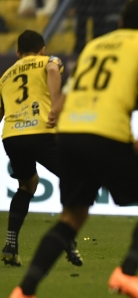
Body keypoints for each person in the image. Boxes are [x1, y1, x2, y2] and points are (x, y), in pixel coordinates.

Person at [9, 1, 138, 297]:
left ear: (121, 24)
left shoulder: (95, 45)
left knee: (71, 218)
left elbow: (72, 86)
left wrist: (55, 110)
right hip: (105, 131)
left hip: (69, 134)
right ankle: (127, 273)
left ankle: (24, 290)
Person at [0, 30, 82, 268]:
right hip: (41, 130)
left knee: (27, 185)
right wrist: (55, 104)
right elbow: (54, 70)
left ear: (17, 53)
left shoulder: (5, 76)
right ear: (42, 49)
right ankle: (67, 237)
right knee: (74, 178)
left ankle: (10, 245)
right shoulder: (48, 61)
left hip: (12, 135)